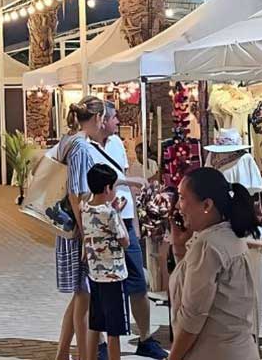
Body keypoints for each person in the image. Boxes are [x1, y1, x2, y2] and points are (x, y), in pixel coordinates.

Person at [167, 168, 259, 360]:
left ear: (207, 204)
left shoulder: (209, 245)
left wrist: (172, 358)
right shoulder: (227, 235)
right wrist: (179, 247)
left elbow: (192, 318)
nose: (177, 206)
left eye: (183, 198)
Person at [100, 104, 167, 359]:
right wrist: (129, 182)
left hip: (125, 219)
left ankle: (145, 336)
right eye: (115, 117)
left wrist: (136, 223)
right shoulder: (85, 146)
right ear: (101, 119)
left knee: (138, 281)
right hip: (104, 221)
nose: (118, 121)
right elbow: (98, 181)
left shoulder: (117, 142)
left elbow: (121, 173)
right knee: (104, 284)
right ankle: (101, 342)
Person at [54, 96, 110, 360]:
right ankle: (84, 355)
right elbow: (77, 194)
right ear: (98, 119)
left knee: (80, 296)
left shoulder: (69, 141)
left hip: (73, 227)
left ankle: (63, 353)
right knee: (84, 298)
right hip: (79, 229)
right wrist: (87, 233)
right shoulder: (80, 148)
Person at [81, 164, 131, 360]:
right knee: (114, 329)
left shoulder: (84, 207)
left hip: (94, 273)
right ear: (108, 188)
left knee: (96, 324)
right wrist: (118, 212)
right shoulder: (109, 212)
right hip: (114, 275)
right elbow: (124, 241)